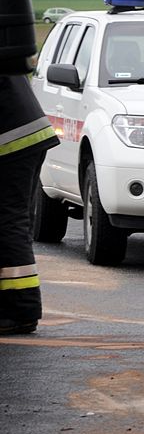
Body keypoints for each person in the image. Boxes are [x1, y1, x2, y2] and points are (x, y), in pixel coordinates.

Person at [0, 75, 60, 334]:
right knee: (13, 219)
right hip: (24, 132)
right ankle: (18, 309)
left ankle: (21, 310)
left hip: (13, 138)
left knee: (8, 220)